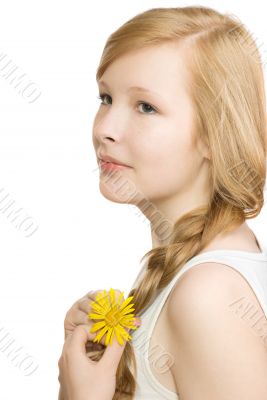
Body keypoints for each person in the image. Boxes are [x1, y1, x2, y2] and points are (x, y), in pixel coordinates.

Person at [58, 5, 267, 399]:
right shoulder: (192, 269)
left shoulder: (207, 296)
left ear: (213, 134)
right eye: (106, 97)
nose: (105, 129)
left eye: (146, 107)